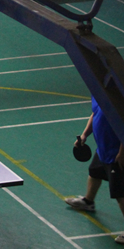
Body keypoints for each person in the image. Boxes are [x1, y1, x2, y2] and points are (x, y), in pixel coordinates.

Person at [65, 97, 124, 244]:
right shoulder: (98, 93)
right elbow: (95, 114)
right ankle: (88, 201)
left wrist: (122, 153)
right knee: (95, 172)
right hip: (103, 149)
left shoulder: (117, 97)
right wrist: (84, 135)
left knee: (120, 193)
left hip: (115, 154)